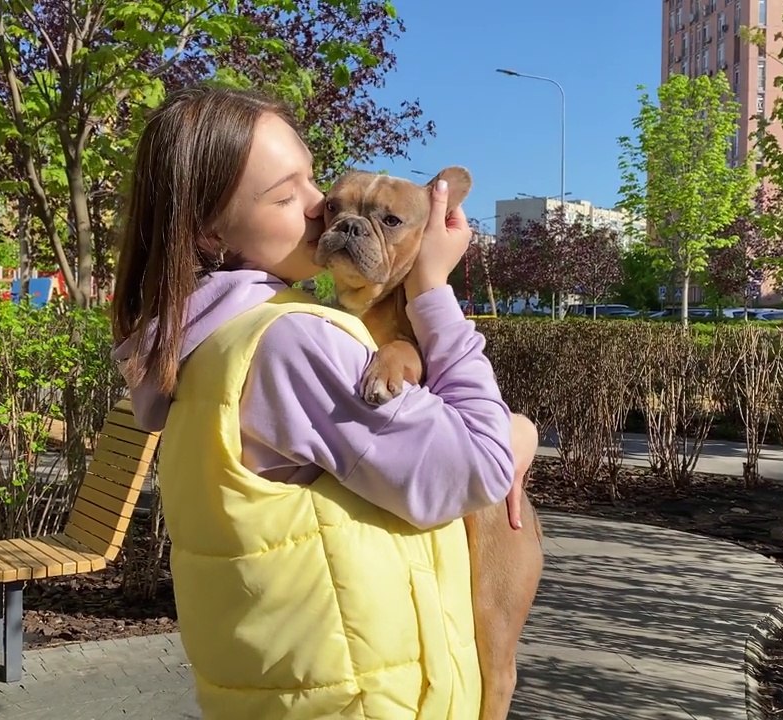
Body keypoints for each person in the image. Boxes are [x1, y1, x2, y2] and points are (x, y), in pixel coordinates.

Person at [111, 84, 539, 720]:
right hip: (363, 697)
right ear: (207, 231)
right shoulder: (291, 340)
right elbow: (478, 465)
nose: (319, 212)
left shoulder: (200, 340)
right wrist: (435, 294)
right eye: (287, 195)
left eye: (315, 184)